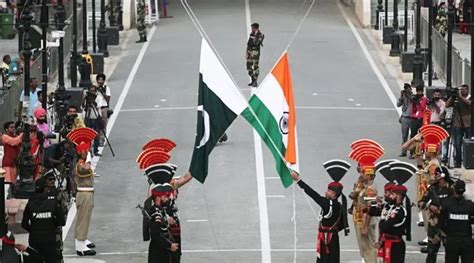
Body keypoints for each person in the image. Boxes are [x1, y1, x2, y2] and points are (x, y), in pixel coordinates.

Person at [290, 171, 348, 262]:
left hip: (325, 238)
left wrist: (298, 180)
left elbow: (312, 194)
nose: (326, 192)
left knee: (323, 259)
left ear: (333, 194)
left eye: (328, 191)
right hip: (334, 238)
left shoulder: (326, 203)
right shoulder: (339, 206)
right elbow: (341, 224)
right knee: (334, 259)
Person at [21, 177, 66, 262]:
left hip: (34, 240)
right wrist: (52, 224)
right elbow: (61, 221)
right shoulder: (52, 202)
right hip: (49, 240)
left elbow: (24, 223)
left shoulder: (31, 202)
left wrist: (33, 230)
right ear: (45, 188)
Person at [418, 166, 452, 261]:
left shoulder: (451, 188)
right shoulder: (433, 189)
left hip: (447, 224)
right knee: (431, 252)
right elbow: (420, 203)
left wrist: (442, 209)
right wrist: (429, 206)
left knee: (450, 252)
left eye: (436, 174)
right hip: (434, 224)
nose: (434, 176)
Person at [439, 179, 474, 262]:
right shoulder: (469, 205)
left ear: (454, 190)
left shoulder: (446, 203)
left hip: (452, 240)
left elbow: (441, 223)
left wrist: (446, 235)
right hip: (466, 240)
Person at [73, 140, 97, 256]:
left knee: (85, 219)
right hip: (84, 194)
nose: (86, 151)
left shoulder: (82, 162)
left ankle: (83, 239)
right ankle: (80, 246)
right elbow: (85, 169)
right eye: (84, 150)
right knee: (82, 220)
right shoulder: (80, 164)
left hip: (88, 194)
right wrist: (88, 159)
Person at [146, 183, 179, 263]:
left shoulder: (161, 211)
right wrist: (169, 245)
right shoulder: (156, 214)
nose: (167, 199)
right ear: (158, 198)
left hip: (163, 251)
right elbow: (155, 235)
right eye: (165, 197)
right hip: (158, 254)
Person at [377, 185, 409, 263]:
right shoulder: (389, 206)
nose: (390, 197)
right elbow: (373, 212)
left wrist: (382, 220)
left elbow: (385, 226)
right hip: (385, 241)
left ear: (398, 196)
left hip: (395, 246)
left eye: (392, 194)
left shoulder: (400, 211)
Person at [445, 84, 471, 168]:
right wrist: (452, 96)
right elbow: (447, 105)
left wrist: (460, 96)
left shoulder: (469, 97)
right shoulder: (457, 99)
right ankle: (458, 162)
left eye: (465, 89)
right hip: (457, 124)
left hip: (468, 124)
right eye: (461, 89)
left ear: (468, 90)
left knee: (468, 144)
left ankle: (468, 162)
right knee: (457, 144)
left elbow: (469, 103)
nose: (463, 91)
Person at [409, 85, 428, 159]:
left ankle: (420, 151)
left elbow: (424, 108)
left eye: (421, 91)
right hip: (414, 118)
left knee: (421, 135)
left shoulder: (425, 99)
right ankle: (412, 152)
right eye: (418, 91)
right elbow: (413, 108)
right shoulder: (414, 98)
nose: (419, 92)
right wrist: (415, 101)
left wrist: (419, 102)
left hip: (421, 118)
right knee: (413, 135)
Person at [83, 86, 102, 156]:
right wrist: (86, 100)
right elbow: (83, 107)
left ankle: (96, 150)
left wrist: (93, 101)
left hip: (96, 117)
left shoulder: (98, 97)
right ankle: (88, 150)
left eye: (93, 91)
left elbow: (98, 106)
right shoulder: (86, 98)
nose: (92, 92)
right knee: (88, 135)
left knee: (96, 134)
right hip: (88, 117)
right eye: (91, 91)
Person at [397, 83, 413, 157]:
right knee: (404, 136)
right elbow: (398, 104)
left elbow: (414, 101)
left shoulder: (413, 96)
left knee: (413, 136)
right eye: (406, 88)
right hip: (405, 117)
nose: (407, 90)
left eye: (408, 88)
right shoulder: (403, 96)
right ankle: (403, 151)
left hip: (413, 118)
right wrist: (401, 97)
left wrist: (408, 96)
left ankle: (412, 152)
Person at [95, 74, 111, 147]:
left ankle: (102, 139)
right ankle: (96, 139)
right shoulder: (94, 88)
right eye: (99, 80)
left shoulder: (106, 88)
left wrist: (102, 92)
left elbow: (108, 99)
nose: (100, 81)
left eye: (102, 80)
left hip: (104, 108)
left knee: (103, 125)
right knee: (96, 124)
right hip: (96, 108)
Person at [246, 22, 264, 87]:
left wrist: (256, 35)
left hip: (255, 53)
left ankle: (255, 81)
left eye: (253, 28)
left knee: (255, 67)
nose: (251, 29)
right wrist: (247, 53)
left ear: (256, 28)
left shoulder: (261, 35)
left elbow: (256, 42)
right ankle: (252, 80)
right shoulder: (251, 34)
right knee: (249, 67)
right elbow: (249, 44)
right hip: (250, 53)